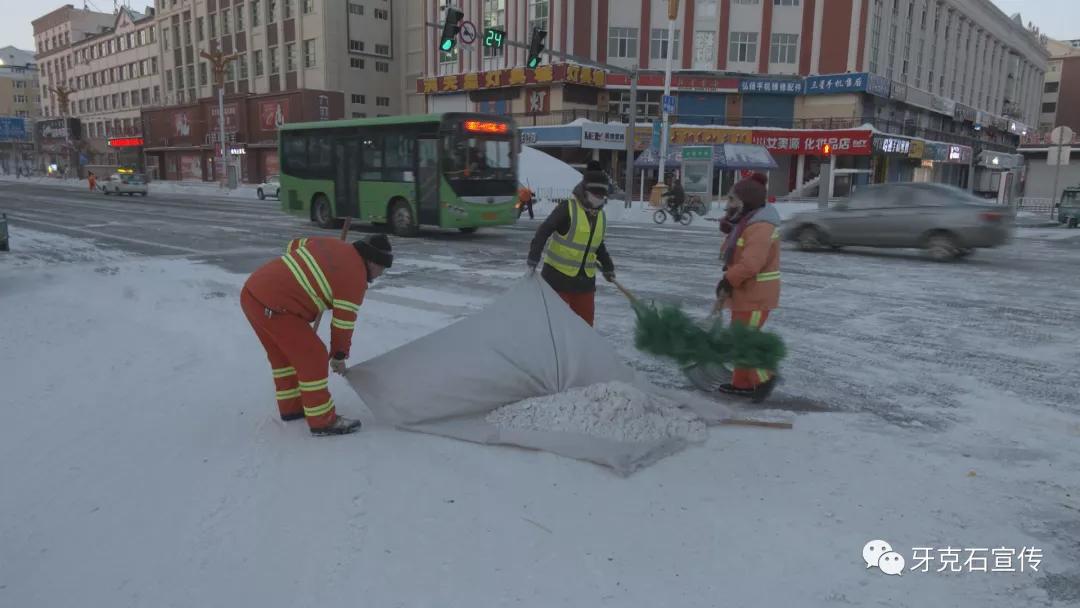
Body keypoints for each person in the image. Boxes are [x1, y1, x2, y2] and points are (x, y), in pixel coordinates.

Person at [241, 234, 393, 436]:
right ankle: (323, 420)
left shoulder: (331, 243)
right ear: (371, 261)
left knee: (284, 359)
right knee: (313, 356)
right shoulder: (354, 277)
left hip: (252, 294)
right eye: (381, 268)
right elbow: (343, 323)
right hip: (277, 307)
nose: (380, 274)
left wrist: (298, 277)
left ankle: (292, 408)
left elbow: (294, 244)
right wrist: (338, 356)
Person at [714, 172, 781, 403]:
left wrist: (728, 280)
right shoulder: (745, 224)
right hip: (745, 294)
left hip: (755, 296)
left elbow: (751, 264)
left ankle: (765, 377)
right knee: (739, 338)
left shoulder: (760, 227)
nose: (728, 205)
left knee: (744, 340)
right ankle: (741, 383)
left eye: (732, 200)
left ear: (747, 202)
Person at [527, 168, 616, 326]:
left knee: (584, 327)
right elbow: (544, 230)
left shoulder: (600, 215)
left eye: (602, 196)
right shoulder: (568, 208)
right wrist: (534, 256)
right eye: (596, 195)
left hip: (585, 284)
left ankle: (580, 352)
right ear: (585, 191)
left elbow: (597, 244)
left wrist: (608, 266)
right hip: (557, 280)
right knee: (554, 326)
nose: (599, 199)